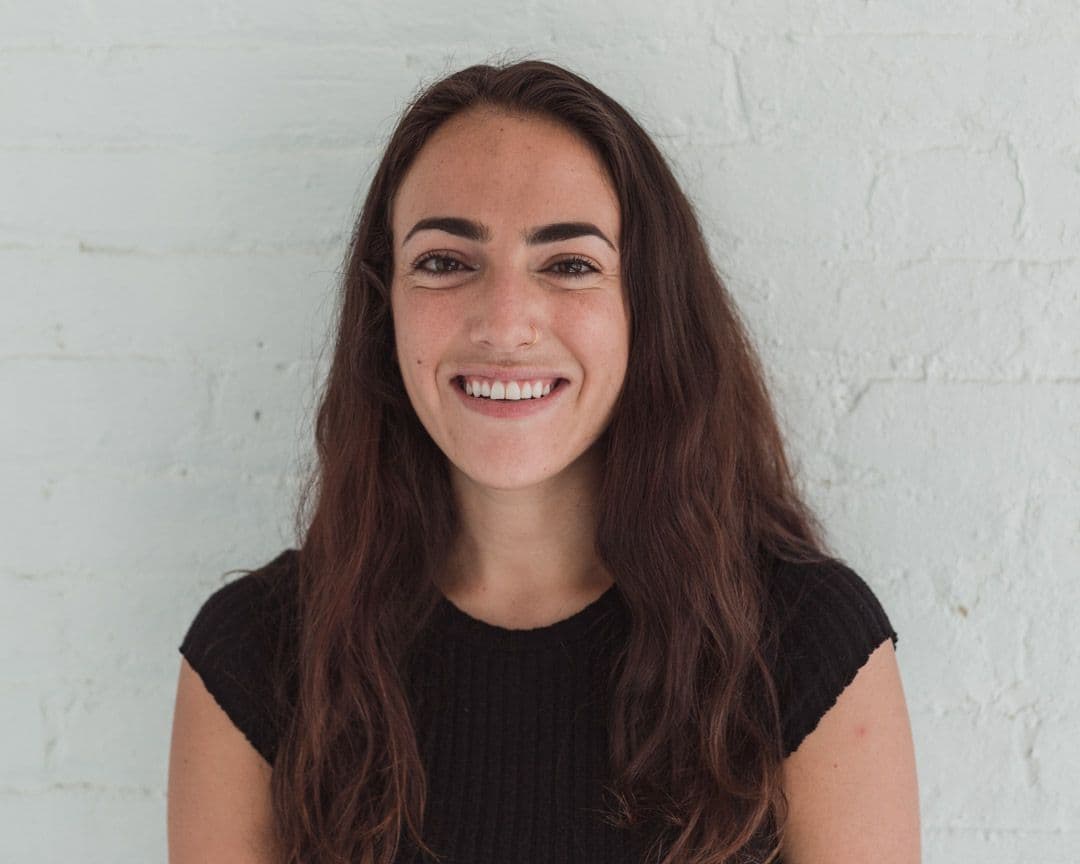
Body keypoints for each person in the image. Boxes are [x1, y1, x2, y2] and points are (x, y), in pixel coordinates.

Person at [167, 58, 920, 864]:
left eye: (569, 265)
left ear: (648, 309)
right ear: (384, 307)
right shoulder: (255, 660)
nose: (504, 322)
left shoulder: (805, 646)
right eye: (445, 261)